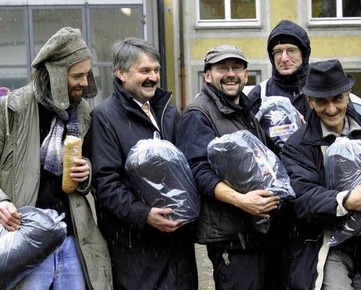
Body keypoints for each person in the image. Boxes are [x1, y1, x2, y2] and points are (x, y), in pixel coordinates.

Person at [0, 27, 112, 289]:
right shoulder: (10, 109)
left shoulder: (81, 112)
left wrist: (86, 174)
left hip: (70, 238)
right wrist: (2, 202)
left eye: (87, 74)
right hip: (25, 236)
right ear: (56, 74)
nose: (85, 82)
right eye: (77, 75)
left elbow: (89, 176)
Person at [280, 59, 361, 290]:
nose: (331, 109)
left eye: (337, 98)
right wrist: (346, 201)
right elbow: (301, 197)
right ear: (309, 100)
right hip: (325, 245)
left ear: (348, 93)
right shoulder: (298, 145)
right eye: (321, 101)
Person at [90, 37, 197, 289]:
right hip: (137, 252)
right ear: (121, 74)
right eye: (144, 71)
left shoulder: (168, 112)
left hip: (177, 247)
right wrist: (144, 214)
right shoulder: (104, 118)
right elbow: (105, 184)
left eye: (156, 70)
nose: (153, 77)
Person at [175, 44, 281, 289]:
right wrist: (242, 201)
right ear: (208, 75)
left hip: (255, 235)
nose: (230, 73)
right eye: (222, 68)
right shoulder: (198, 113)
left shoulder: (245, 111)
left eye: (236, 67)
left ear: (246, 74)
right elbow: (198, 172)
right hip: (232, 241)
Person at [247, 19, 312, 117]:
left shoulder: (322, 88)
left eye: (291, 50)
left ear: (303, 54)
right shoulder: (260, 94)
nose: (284, 58)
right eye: (278, 52)